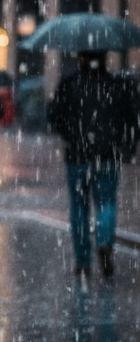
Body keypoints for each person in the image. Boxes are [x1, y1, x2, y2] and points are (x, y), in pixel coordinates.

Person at [47, 52, 140, 278]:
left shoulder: (69, 84)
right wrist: (125, 145)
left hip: (77, 156)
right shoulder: (117, 85)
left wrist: (72, 136)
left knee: (79, 207)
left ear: (81, 59)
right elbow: (131, 118)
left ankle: (82, 262)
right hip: (108, 155)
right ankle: (105, 242)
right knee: (106, 203)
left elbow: (54, 117)